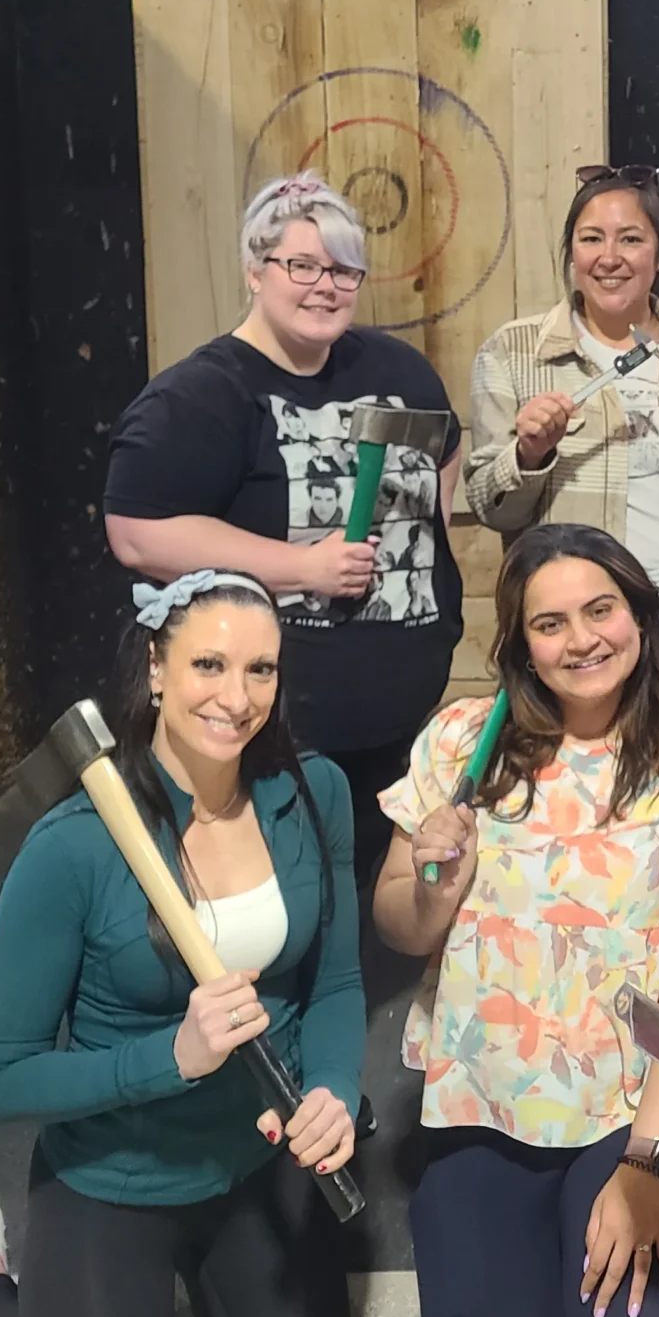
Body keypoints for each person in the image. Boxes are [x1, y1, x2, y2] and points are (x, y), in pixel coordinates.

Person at [0, 571, 363, 1317]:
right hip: (112, 1182)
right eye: (208, 663)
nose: (236, 694)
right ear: (157, 668)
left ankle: (213, 1301)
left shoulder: (312, 794)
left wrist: (336, 1086)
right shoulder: (74, 843)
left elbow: (335, 982)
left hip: (255, 1174)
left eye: (260, 668)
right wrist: (168, 1057)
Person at [372, 522, 659, 1317]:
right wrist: (433, 876)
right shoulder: (462, 743)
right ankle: (540, 1290)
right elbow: (400, 929)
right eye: (550, 623)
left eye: (601, 610)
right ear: (519, 642)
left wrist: (648, 1166)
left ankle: (601, 1304)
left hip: (631, 1105)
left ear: (640, 617)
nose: (581, 639)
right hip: (488, 1107)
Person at [105, 172, 464, 891]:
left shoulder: (396, 368)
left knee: (377, 916)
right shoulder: (205, 394)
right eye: (301, 266)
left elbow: (445, 452)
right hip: (273, 735)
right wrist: (300, 567)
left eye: (342, 269)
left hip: (401, 721)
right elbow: (136, 532)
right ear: (254, 269)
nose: (323, 286)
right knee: (289, 906)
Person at [465, 164, 659, 734]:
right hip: (579, 637)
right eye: (591, 239)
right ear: (572, 254)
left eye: (631, 239)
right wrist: (529, 455)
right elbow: (488, 504)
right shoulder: (515, 353)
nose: (609, 257)